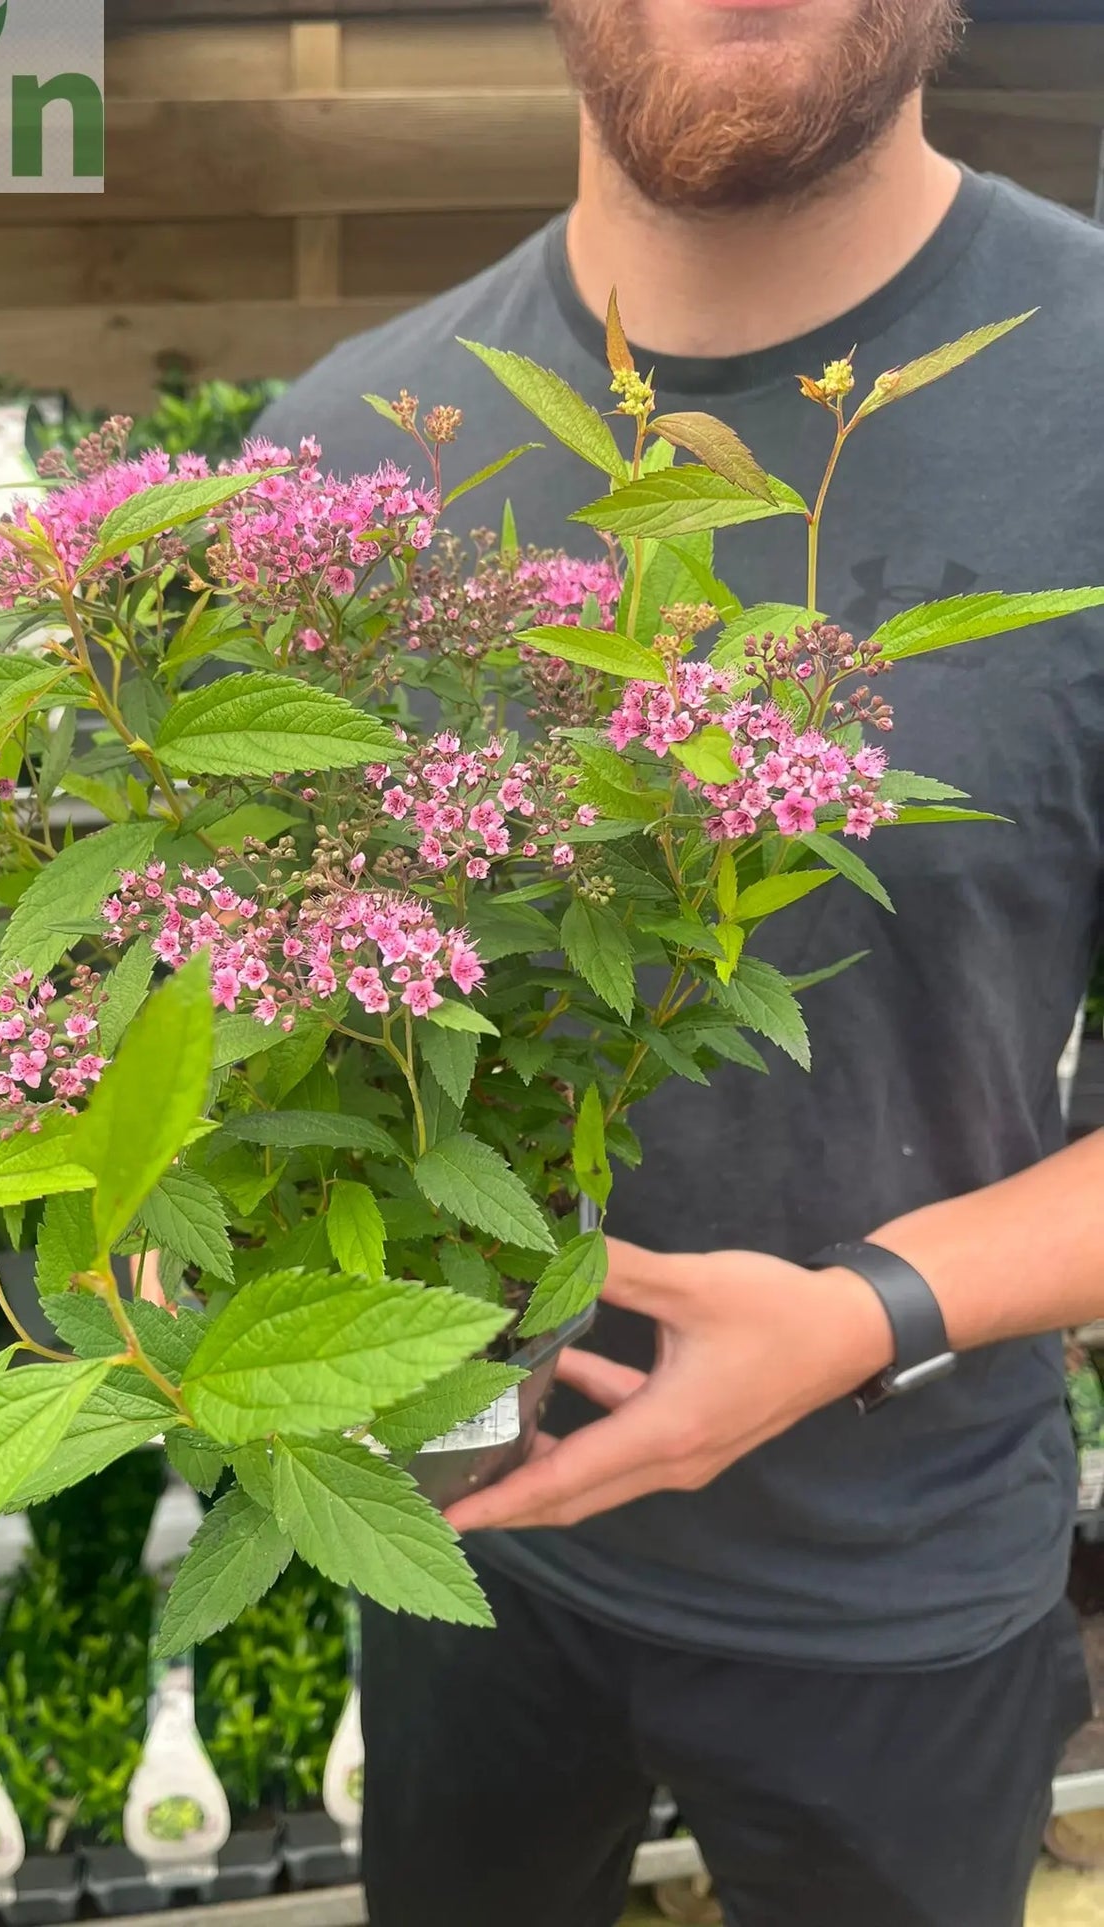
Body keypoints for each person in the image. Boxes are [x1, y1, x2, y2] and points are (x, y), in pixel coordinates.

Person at [253, 3, 1104, 1923]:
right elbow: (268, 1028)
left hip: (890, 1580)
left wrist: (866, 1310)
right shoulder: (332, 467)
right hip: (462, 1538)